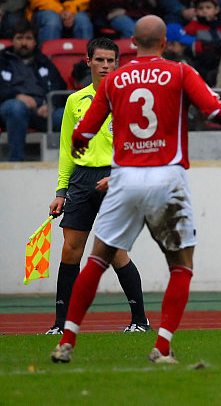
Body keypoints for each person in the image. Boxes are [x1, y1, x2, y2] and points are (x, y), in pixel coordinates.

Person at [50, 14, 221, 365]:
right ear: (164, 43)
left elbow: (83, 132)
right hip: (166, 177)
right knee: (181, 266)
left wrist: (78, 147)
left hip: (124, 178)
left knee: (97, 259)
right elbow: (213, 109)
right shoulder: (179, 72)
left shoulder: (114, 80)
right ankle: (161, 347)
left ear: (133, 43)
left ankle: (67, 339)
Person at [46, 37, 151, 335]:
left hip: (114, 179)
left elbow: (138, 145)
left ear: (117, 63)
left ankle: (140, 321)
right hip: (81, 180)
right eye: (100, 60)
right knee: (70, 250)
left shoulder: (129, 99)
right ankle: (60, 325)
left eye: (110, 60)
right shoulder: (75, 101)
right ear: (88, 61)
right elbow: (67, 149)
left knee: (114, 252)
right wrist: (61, 191)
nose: (105, 65)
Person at [0, 19, 66, 162]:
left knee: (67, 114)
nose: (24, 43)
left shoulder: (44, 62)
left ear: (35, 42)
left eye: (28, 38)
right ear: (12, 41)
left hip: (42, 112)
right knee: (16, 108)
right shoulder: (2, 60)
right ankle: (16, 162)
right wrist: (17, 96)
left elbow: (59, 86)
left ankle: (73, 166)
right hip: (11, 110)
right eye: (19, 38)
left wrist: (51, 105)